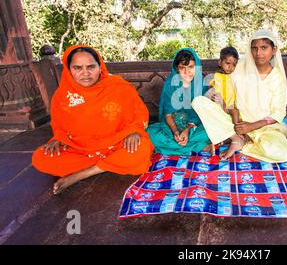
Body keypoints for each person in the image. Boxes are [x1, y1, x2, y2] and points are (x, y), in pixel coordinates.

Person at [32, 45, 154, 195]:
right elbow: (60, 126)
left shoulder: (118, 87)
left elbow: (138, 115)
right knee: (40, 158)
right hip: (81, 149)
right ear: (69, 69)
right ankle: (109, 164)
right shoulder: (62, 96)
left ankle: (84, 173)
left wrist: (135, 131)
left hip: (115, 144)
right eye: (78, 68)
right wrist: (59, 138)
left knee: (140, 148)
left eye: (91, 67)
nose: (85, 73)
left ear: (100, 66)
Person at [192, 29, 287, 162]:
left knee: (281, 153)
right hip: (235, 123)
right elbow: (224, 84)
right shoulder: (239, 67)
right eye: (254, 48)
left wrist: (250, 126)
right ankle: (236, 138)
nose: (258, 53)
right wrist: (215, 95)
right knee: (198, 101)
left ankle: (242, 143)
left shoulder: (277, 77)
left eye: (264, 48)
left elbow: (278, 112)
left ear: (273, 50)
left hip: (265, 128)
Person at [146, 48, 212, 155]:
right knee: (150, 134)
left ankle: (180, 147)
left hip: (194, 127)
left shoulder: (201, 84)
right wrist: (176, 132)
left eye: (191, 67)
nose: (187, 72)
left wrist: (187, 130)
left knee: (210, 129)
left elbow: (202, 116)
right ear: (177, 68)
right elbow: (168, 115)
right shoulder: (171, 83)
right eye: (182, 68)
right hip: (172, 126)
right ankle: (199, 146)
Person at [205, 46, 240, 127]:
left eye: (234, 65)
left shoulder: (233, 76)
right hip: (218, 104)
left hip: (229, 106)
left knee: (235, 112)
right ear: (220, 62)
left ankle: (238, 130)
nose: (230, 67)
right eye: (227, 63)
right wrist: (212, 97)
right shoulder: (216, 76)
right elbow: (211, 91)